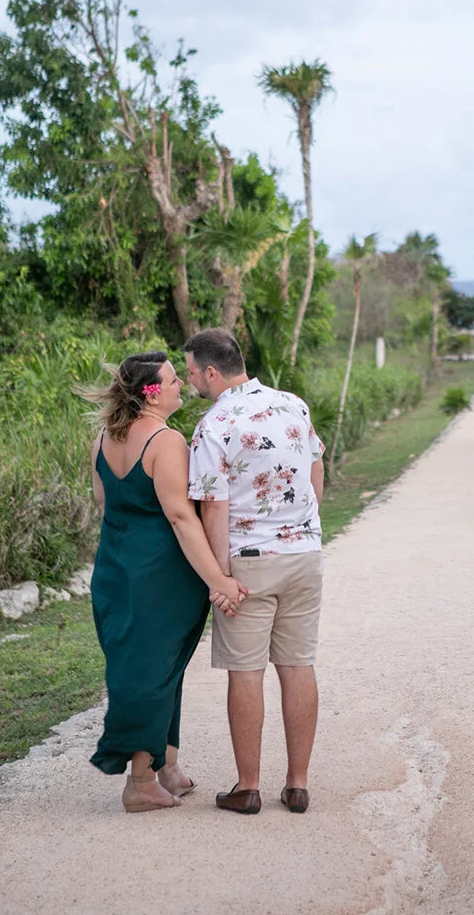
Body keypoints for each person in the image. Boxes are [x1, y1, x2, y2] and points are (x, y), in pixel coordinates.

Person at [86, 351, 246, 813]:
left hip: (115, 569)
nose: (183, 384)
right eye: (175, 379)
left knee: (161, 666)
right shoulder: (166, 441)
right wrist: (218, 578)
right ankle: (139, 783)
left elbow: (104, 501)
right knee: (151, 672)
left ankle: (167, 767)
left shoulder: (102, 439)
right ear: (153, 392)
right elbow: (180, 516)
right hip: (159, 574)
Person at [184, 328, 325, 815]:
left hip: (248, 563)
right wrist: (304, 526)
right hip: (304, 556)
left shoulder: (214, 424)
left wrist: (219, 578)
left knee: (245, 673)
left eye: (191, 373)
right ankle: (298, 783)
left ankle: (248, 787)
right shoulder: (293, 404)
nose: (190, 382)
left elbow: (213, 508)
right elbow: (316, 467)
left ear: (211, 372)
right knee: (298, 665)